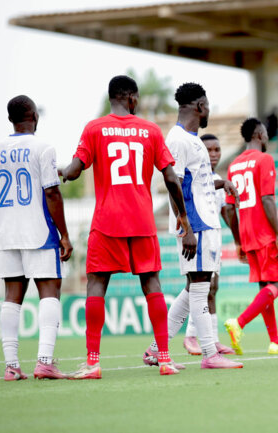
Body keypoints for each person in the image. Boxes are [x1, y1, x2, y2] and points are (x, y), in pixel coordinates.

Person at [60, 75, 192, 379]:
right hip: (142, 220)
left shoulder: (94, 128)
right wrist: (182, 216)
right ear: (131, 98)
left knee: (96, 286)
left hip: (107, 222)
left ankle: (93, 362)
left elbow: (75, 169)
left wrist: (62, 172)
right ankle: (165, 359)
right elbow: (171, 177)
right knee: (152, 285)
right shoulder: (150, 130)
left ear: (113, 98)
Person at [141, 82, 242, 370]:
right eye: (208, 105)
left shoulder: (190, 138)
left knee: (193, 288)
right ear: (199, 107)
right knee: (200, 287)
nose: (209, 110)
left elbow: (194, 182)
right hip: (196, 225)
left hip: (202, 222)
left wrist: (220, 182)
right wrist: (186, 227)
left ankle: (154, 350)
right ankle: (210, 354)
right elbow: (175, 183)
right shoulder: (179, 139)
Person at [0, 95, 73, 380]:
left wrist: (5, 224)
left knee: (12, 297)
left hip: (8, 235)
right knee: (50, 291)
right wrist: (65, 235)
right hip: (39, 233)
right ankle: (45, 362)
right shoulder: (43, 148)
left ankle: (11, 366)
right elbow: (51, 192)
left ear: (11, 119)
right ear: (34, 115)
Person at [223, 118, 278, 355]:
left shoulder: (233, 166)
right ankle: (239, 323)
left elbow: (229, 208)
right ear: (260, 134)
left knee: (265, 285)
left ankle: (274, 341)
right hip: (264, 233)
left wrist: (237, 241)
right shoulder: (264, 159)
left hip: (247, 233)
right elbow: (267, 199)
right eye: (266, 133)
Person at [183, 133, 237, 356]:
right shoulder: (199, 179)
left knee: (213, 288)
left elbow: (225, 211)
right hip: (198, 237)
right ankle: (191, 335)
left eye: (217, 150)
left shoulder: (216, 178)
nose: (214, 154)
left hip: (215, 239)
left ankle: (213, 339)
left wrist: (238, 239)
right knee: (197, 287)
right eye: (209, 150)